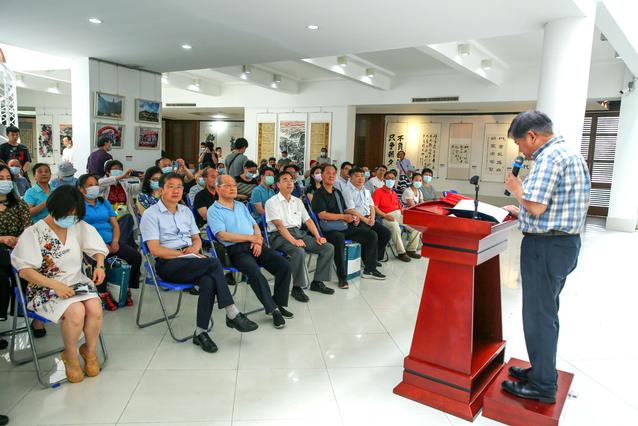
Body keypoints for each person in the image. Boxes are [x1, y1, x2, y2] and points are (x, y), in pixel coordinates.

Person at [501, 110, 590, 404]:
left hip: (546, 247)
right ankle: (541, 370)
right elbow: (551, 206)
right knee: (546, 313)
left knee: (539, 316)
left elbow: (537, 206)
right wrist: (522, 210)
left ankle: (543, 386)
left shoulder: (549, 157)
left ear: (532, 136)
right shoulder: (569, 153)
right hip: (563, 244)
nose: (521, 151)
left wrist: (517, 190)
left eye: (519, 143)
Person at [140, 172, 258, 353]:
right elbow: (155, 250)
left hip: (190, 259)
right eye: (171, 187)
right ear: (161, 190)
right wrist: (181, 254)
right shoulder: (151, 214)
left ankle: (200, 332)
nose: (176, 190)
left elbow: (196, 238)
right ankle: (232, 312)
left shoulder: (185, 211)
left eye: (179, 187)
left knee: (208, 280)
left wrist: (195, 249)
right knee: (214, 263)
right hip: (167, 263)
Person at [11, 186, 108, 383]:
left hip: (76, 282)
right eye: (68, 214)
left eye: (75, 214)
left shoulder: (78, 226)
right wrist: (55, 285)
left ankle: (89, 351)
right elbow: (25, 270)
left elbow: (98, 247)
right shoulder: (34, 233)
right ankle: (70, 357)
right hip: (44, 288)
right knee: (76, 312)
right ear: (54, 208)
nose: (71, 218)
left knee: (95, 307)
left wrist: (100, 265)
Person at [208, 174, 293, 329]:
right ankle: (273, 310)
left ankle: (278, 303)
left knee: (284, 266)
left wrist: (258, 240)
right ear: (218, 189)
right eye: (228, 185)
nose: (233, 188)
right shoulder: (214, 210)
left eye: (234, 185)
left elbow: (254, 225)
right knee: (255, 273)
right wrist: (250, 238)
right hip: (236, 250)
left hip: (255, 244)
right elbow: (222, 235)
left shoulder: (241, 206)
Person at [311, 164, 386, 288]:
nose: (331, 176)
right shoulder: (319, 194)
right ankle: (342, 277)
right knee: (339, 239)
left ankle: (370, 269)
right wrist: (343, 217)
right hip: (330, 229)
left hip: (343, 225)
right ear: (322, 175)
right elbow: (322, 215)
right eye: (328, 173)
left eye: (333, 173)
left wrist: (354, 218)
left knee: (371, 235)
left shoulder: (337, 192)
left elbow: (345, 210)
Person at [266, 171, 335, 302]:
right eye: (285, 180)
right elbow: (279, 226)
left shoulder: (297, 201)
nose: (289, 183)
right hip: (279, 236)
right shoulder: (271, 202)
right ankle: (297, 287)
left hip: (298, 233)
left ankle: (318, 282)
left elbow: (308, 220)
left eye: (291, 180)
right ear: (278, 184)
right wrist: (294, 241)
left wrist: (318, 236)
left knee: (327, 247)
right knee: (298, 251)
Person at [78, 174, 141, 310]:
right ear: (81, 189)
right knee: (102, 264)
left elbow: (115, 224)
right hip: (91, 245)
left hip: (111, 241)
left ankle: (126, 288)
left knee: (135, 256)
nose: (94, 187)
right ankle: (102, 293)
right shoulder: (78, 206)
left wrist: (115, 241)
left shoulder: (103, 202)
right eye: (90, 185)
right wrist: (102, 245)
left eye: (96, 184)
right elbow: (80, 230)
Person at [0, 163, 35, 348]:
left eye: (8, 178)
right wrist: (3, 239)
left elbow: (28, 227)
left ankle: (35, 316)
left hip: (19, 248)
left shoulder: (19, 204)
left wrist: (19, 239)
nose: (5, 182)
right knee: (1, 279)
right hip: (2, 252)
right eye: (1, 179)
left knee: (36, 270)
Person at [342, 167, 392, 263]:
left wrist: (372, 218)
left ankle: (376, 258)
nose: (360, 178)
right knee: (371, 235)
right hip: (357, 220)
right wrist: (365, 220)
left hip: (369, 218)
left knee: (386, 233)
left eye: (362, 176)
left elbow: (372, 206)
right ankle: (367, 260)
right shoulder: (347, 191)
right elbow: (351, 210)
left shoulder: (366, 190)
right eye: (357, 176)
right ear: (350, 178)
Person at [372, 170, 421, 261]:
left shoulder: (394, 193)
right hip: (385, 217)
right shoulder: (378, 192)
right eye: (388, 178)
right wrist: (385, 215)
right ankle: (401, 253)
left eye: (393, 179)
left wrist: (402, 210)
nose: (390, 180)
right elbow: (374, 208)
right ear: (384, 180)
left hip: (398, 214)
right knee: (395, 227)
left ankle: (411, 250)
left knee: (416, 226)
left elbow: (399, 206)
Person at [98, 160, 139, 248]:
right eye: (115, 169)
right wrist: (121, 176)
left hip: (123, 215)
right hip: (109, 216)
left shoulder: (124, 184)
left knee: (128, 219)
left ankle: (121, 245)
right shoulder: (104, 183)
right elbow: (99, 183)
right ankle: (121, 246)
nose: (118, 170)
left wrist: (143, 180)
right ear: (108, 172)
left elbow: (137, 189)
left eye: (120, 169)